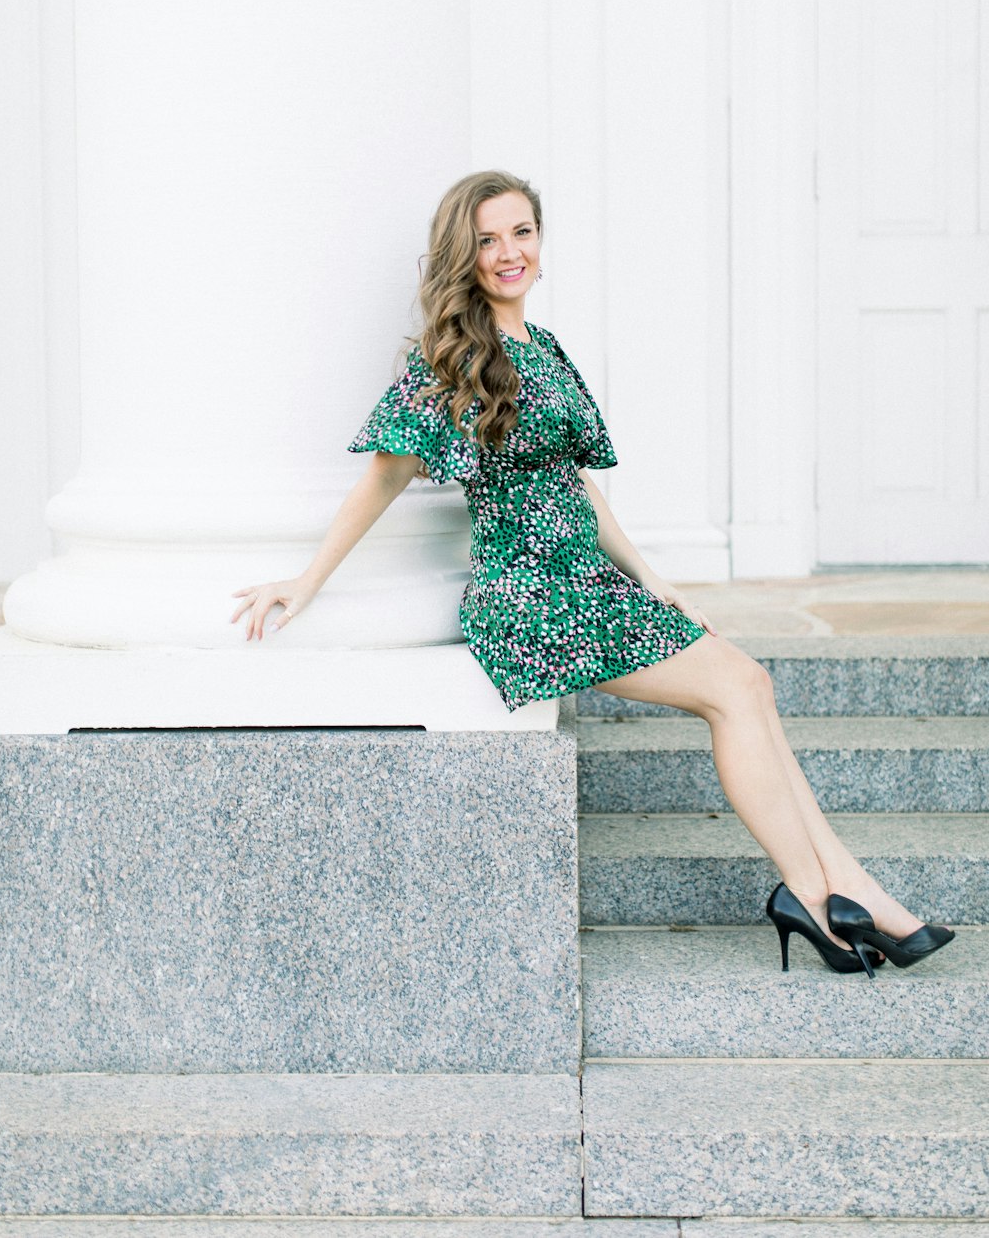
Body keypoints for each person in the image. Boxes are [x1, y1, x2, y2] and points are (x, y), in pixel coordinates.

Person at [230, 169, 954, 977]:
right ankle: (824, 892)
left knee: (749, 684)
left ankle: (834, 892)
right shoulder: (457, 358)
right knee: (736, 688)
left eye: (521, 233)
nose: (508, 253)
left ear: (541, 241)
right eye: (487, 240)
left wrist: (646, 573)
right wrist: (307, 581)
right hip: (530, 596)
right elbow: (383, 479)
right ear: (462, 256)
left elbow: (574, 481)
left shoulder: (545, 349)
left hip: (586, 582)